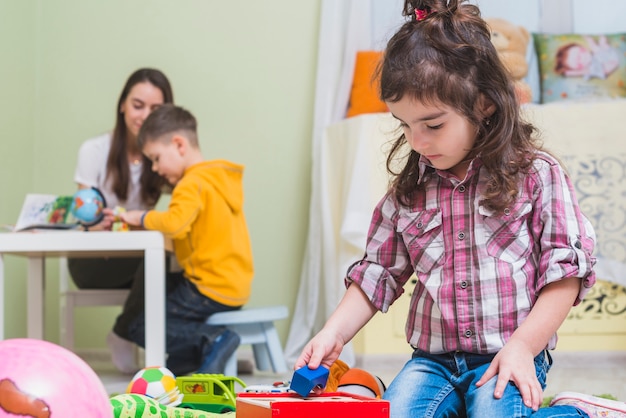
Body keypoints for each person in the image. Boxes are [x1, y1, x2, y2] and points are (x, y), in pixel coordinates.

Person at [296, 1, 625, 417]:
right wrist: (331, 333)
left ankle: (577, 412)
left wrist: (524, 347)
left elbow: (566, 274)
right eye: (404, 125)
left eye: (432, 125)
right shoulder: (408, 192)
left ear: (484, 104)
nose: (417, 141)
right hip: (431, 361)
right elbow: (377, 273)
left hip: (509, 351)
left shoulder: (538, 175)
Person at [119, 104, 254, 376]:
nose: (155, 168)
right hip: (233, 284)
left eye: (156, 158)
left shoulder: (191, 183)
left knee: (137, 324)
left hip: (208, 287)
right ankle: (188, 361)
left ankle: (212, 339)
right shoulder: (216, 178)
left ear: (179, 145)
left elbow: (174, 223)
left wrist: (140, 218)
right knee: (164, 295)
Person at [69, 68, 173, 374]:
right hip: (93, 260)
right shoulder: (95, 151)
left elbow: (192, 192)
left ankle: (133, 336)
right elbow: (83, 211)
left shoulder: (162, 158)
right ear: (122, 105)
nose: (144, 116)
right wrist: (92, 225)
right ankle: (124, 334)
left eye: (156, 109)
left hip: (139, 260)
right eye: (138, 105)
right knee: (159, 261)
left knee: (179, 266)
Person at [554, 35, 620, 80]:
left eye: (581, 51)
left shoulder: (593, 55)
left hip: (606, 56)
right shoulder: (587, 70)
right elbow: (570, 73)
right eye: (578, 62)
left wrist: (587, 38)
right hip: (606, 66)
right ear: (577, 69)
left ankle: (599, 37)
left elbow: (593, 46)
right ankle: (601, 40)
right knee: (599, 46)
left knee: (596, 46)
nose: (583, 57)